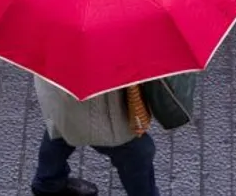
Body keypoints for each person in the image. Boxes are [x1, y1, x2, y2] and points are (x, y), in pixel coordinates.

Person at [30, 77, 160, 196]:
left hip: (59, 89)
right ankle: (48, 182)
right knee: (137, 151)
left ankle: (48, 183)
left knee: (62, 123)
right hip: (99, 103)